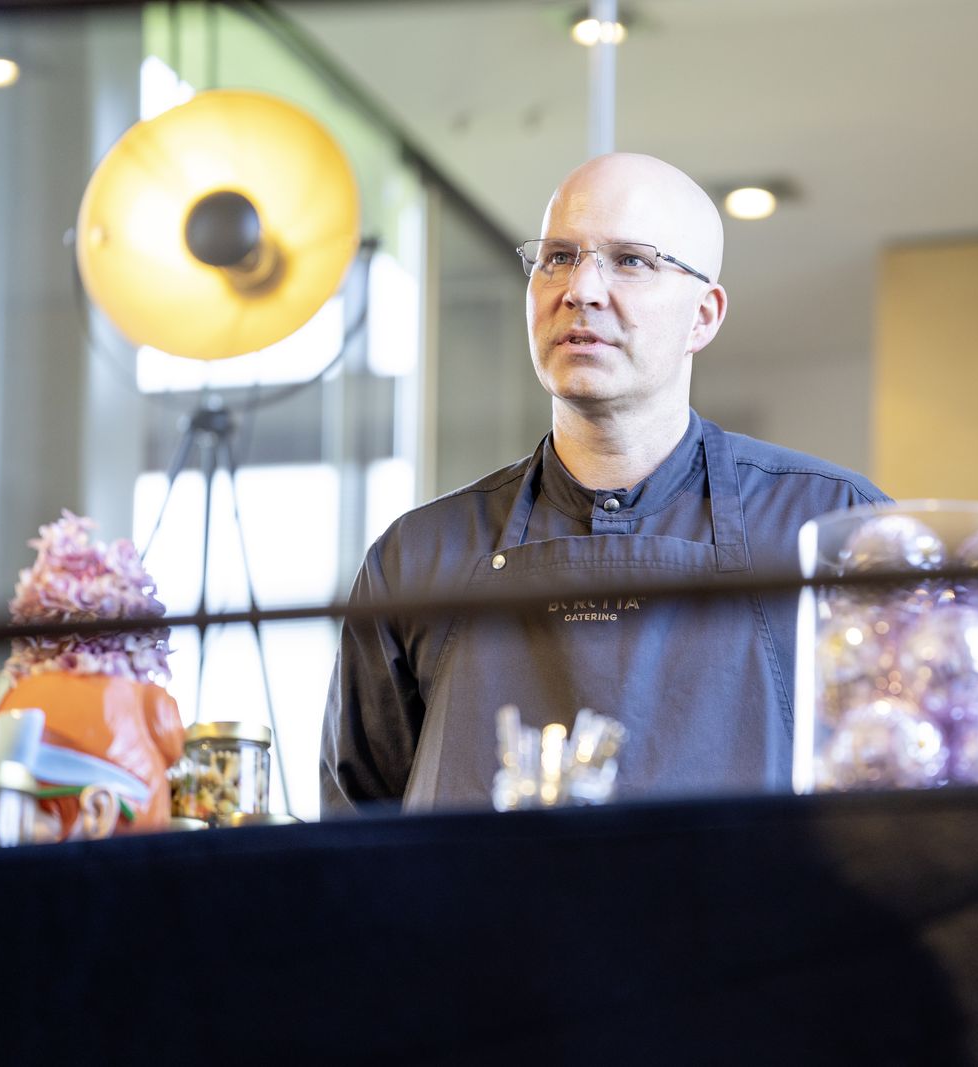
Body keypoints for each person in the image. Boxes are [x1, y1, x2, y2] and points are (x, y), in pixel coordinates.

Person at [321, 153, 887, 813]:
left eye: (631, 261)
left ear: (703, 316)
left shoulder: (838, 530)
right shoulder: (415, 558)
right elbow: (359, 840)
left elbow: (908, 811)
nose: (581, 289)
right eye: (558, 257)